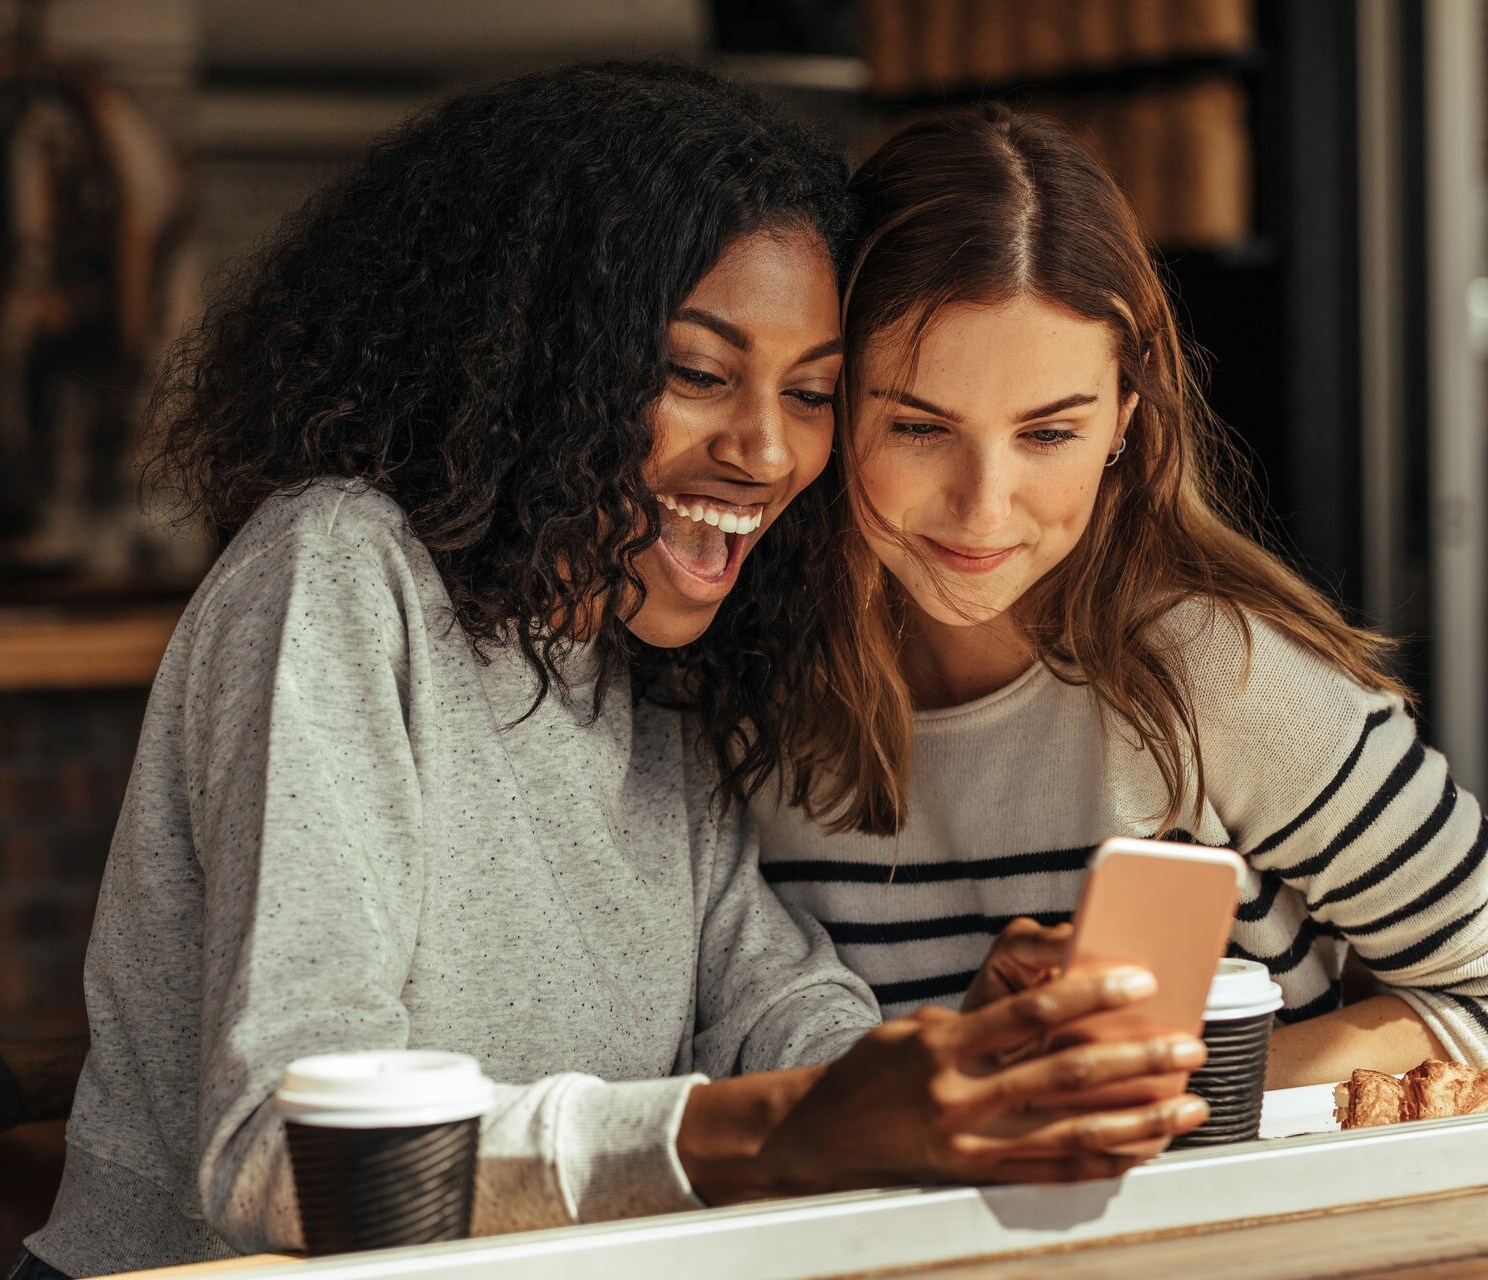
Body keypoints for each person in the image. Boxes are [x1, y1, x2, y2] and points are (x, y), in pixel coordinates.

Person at [15, 70, 1208, 1280]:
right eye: (698, 372)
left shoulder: (644, 663)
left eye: (809, 393)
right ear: (537, 359)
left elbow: (774, 1012)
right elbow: (287, 1151)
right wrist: (767, 1128)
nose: (766, 449)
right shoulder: (339, 572)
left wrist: (963, 1064)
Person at [754, 103, 1488, 1089]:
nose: (985, 507)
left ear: (1123, 424)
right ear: (828, 402)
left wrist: (1190, 1089)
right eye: (920, 427)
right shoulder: (741, 703)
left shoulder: (1217, 677)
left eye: (1049, 433)